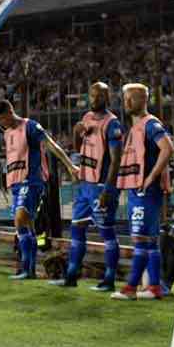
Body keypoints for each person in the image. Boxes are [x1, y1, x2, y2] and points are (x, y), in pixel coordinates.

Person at [0, 100, 79, 280]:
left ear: (10, 111)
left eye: (2, 119)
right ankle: (28, 270)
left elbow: (51, 145)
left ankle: (26, 268)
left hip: (32, 180)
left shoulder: (30, 127)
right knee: (26, 226)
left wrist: (70, 165)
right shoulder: (7, 133)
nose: (1, 124)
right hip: (16, 183)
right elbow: (11, 158)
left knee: (19, 219)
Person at [50, 82, 123, 290]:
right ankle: (71, 277)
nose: (95, 100)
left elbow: (116, 159)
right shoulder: (86, 118)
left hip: (101, 186)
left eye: (100, 96)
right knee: (76, 229)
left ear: (107, 98)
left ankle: (109, 281)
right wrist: (76, 132)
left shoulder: (112, 124)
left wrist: (108, 189)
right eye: (92, 95)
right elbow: (78, 147)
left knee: (106, 232)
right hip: (85, 185)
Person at [111, 84, 174, 301]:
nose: (126, 103)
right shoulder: (136, 128)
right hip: (138, 190)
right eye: (125, 98)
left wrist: (150, 177)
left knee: (139, 240)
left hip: (146, 191)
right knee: (150, 241)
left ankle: (130, 288)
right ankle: (154, 286)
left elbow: (168, 148)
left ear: (143, 100)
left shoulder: (150, 124)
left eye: (132, 98)